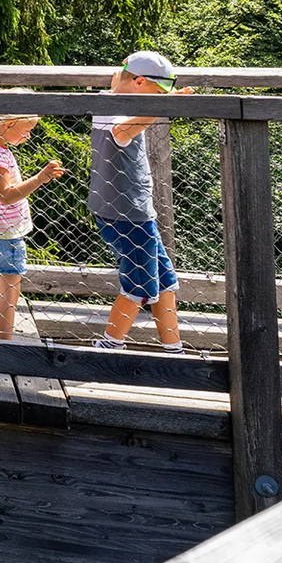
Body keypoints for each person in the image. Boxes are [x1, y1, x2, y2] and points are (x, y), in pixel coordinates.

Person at [90, 50, 195, 351]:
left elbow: (118, 88)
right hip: (127, 213)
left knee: (164, 281)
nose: (161, 98)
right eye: (159, 92)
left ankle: (174, 349)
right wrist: (166, 107)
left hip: (131, 210)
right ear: (138, 82)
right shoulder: (119, 114)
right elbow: (122, 131)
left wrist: (160, 101)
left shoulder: (108, 100)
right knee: (140, 287)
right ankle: (109, 347)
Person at [0, 100, 68, 341]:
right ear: (8, 124)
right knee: (10, 292)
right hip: (6, 234)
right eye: (27, 130)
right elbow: (6, 196)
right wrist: (40, 178)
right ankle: (4, 346)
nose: (29, 135)